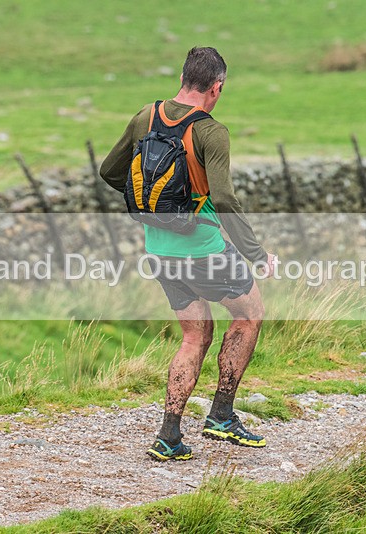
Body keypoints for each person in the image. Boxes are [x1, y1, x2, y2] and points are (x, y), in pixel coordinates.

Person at [100, 46, 276, 461]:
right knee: (250, 315)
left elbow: (111, 172)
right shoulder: (212, 132)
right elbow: (225, 200)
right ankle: (221, 415)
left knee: (194, 336)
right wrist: (255, 253)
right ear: (216, 87)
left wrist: (157, 210)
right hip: (204, 249)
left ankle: (169, 436)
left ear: (183, 79)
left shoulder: (147, 115)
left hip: (159, 249)